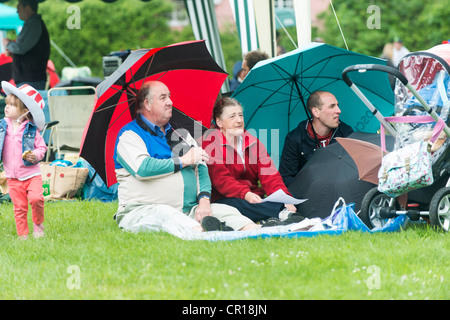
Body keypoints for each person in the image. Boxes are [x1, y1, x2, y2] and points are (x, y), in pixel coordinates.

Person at [113, 81, 259, 238]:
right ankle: (207, 233)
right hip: (142, 209)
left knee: (228, 211)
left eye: (169, 96)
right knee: (165, 214)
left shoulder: (179, 133)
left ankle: (256, 230)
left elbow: (201, 165)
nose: (170, 102)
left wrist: (204, 201)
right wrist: (183, 160)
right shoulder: (129, 135)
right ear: (147, 104)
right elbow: (143, 169)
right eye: (163, 98)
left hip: (189, 210)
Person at [202, 97, 304, 225]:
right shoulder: (210, 144)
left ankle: (273, 216)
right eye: (232, 116)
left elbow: (270, 175)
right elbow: (221, 180)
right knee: (238, 205)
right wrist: (245, 194)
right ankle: (281, 214)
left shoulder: (254, 143)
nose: (239, 120)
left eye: (240, 115)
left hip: (255, 198)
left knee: (290, 197)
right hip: (228, 198)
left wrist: (284, 198)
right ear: (219, 122)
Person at [0, 81, 47, 240]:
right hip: (13, 176)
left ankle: (38, 225)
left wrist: (35, 155)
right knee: (19, 207)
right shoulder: (2, 127)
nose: (7, 107)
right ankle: (23, 235)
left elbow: (42, 148)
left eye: (12, 105)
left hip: (31, 174)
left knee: (36, 199)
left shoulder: (31, 130)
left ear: (25, 111)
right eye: (7, 104)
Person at [279, 91, 353, 187]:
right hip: (309, 194)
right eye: (332, 106)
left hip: (342, 189)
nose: (339, 110)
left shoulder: (345, 132)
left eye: (337, 105)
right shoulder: (295, 138)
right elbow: (287, 177)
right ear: (316, 112)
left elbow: (355, 167)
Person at [2, 0, 50, 90]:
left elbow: (20, 48)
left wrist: (7, 43)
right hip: (30, 79)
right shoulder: (32, 23)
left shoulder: (34, 23)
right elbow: (29, 50)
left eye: (18, 7)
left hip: (31, 80)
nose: (17, 11)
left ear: (27, 7)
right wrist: (13, 52)